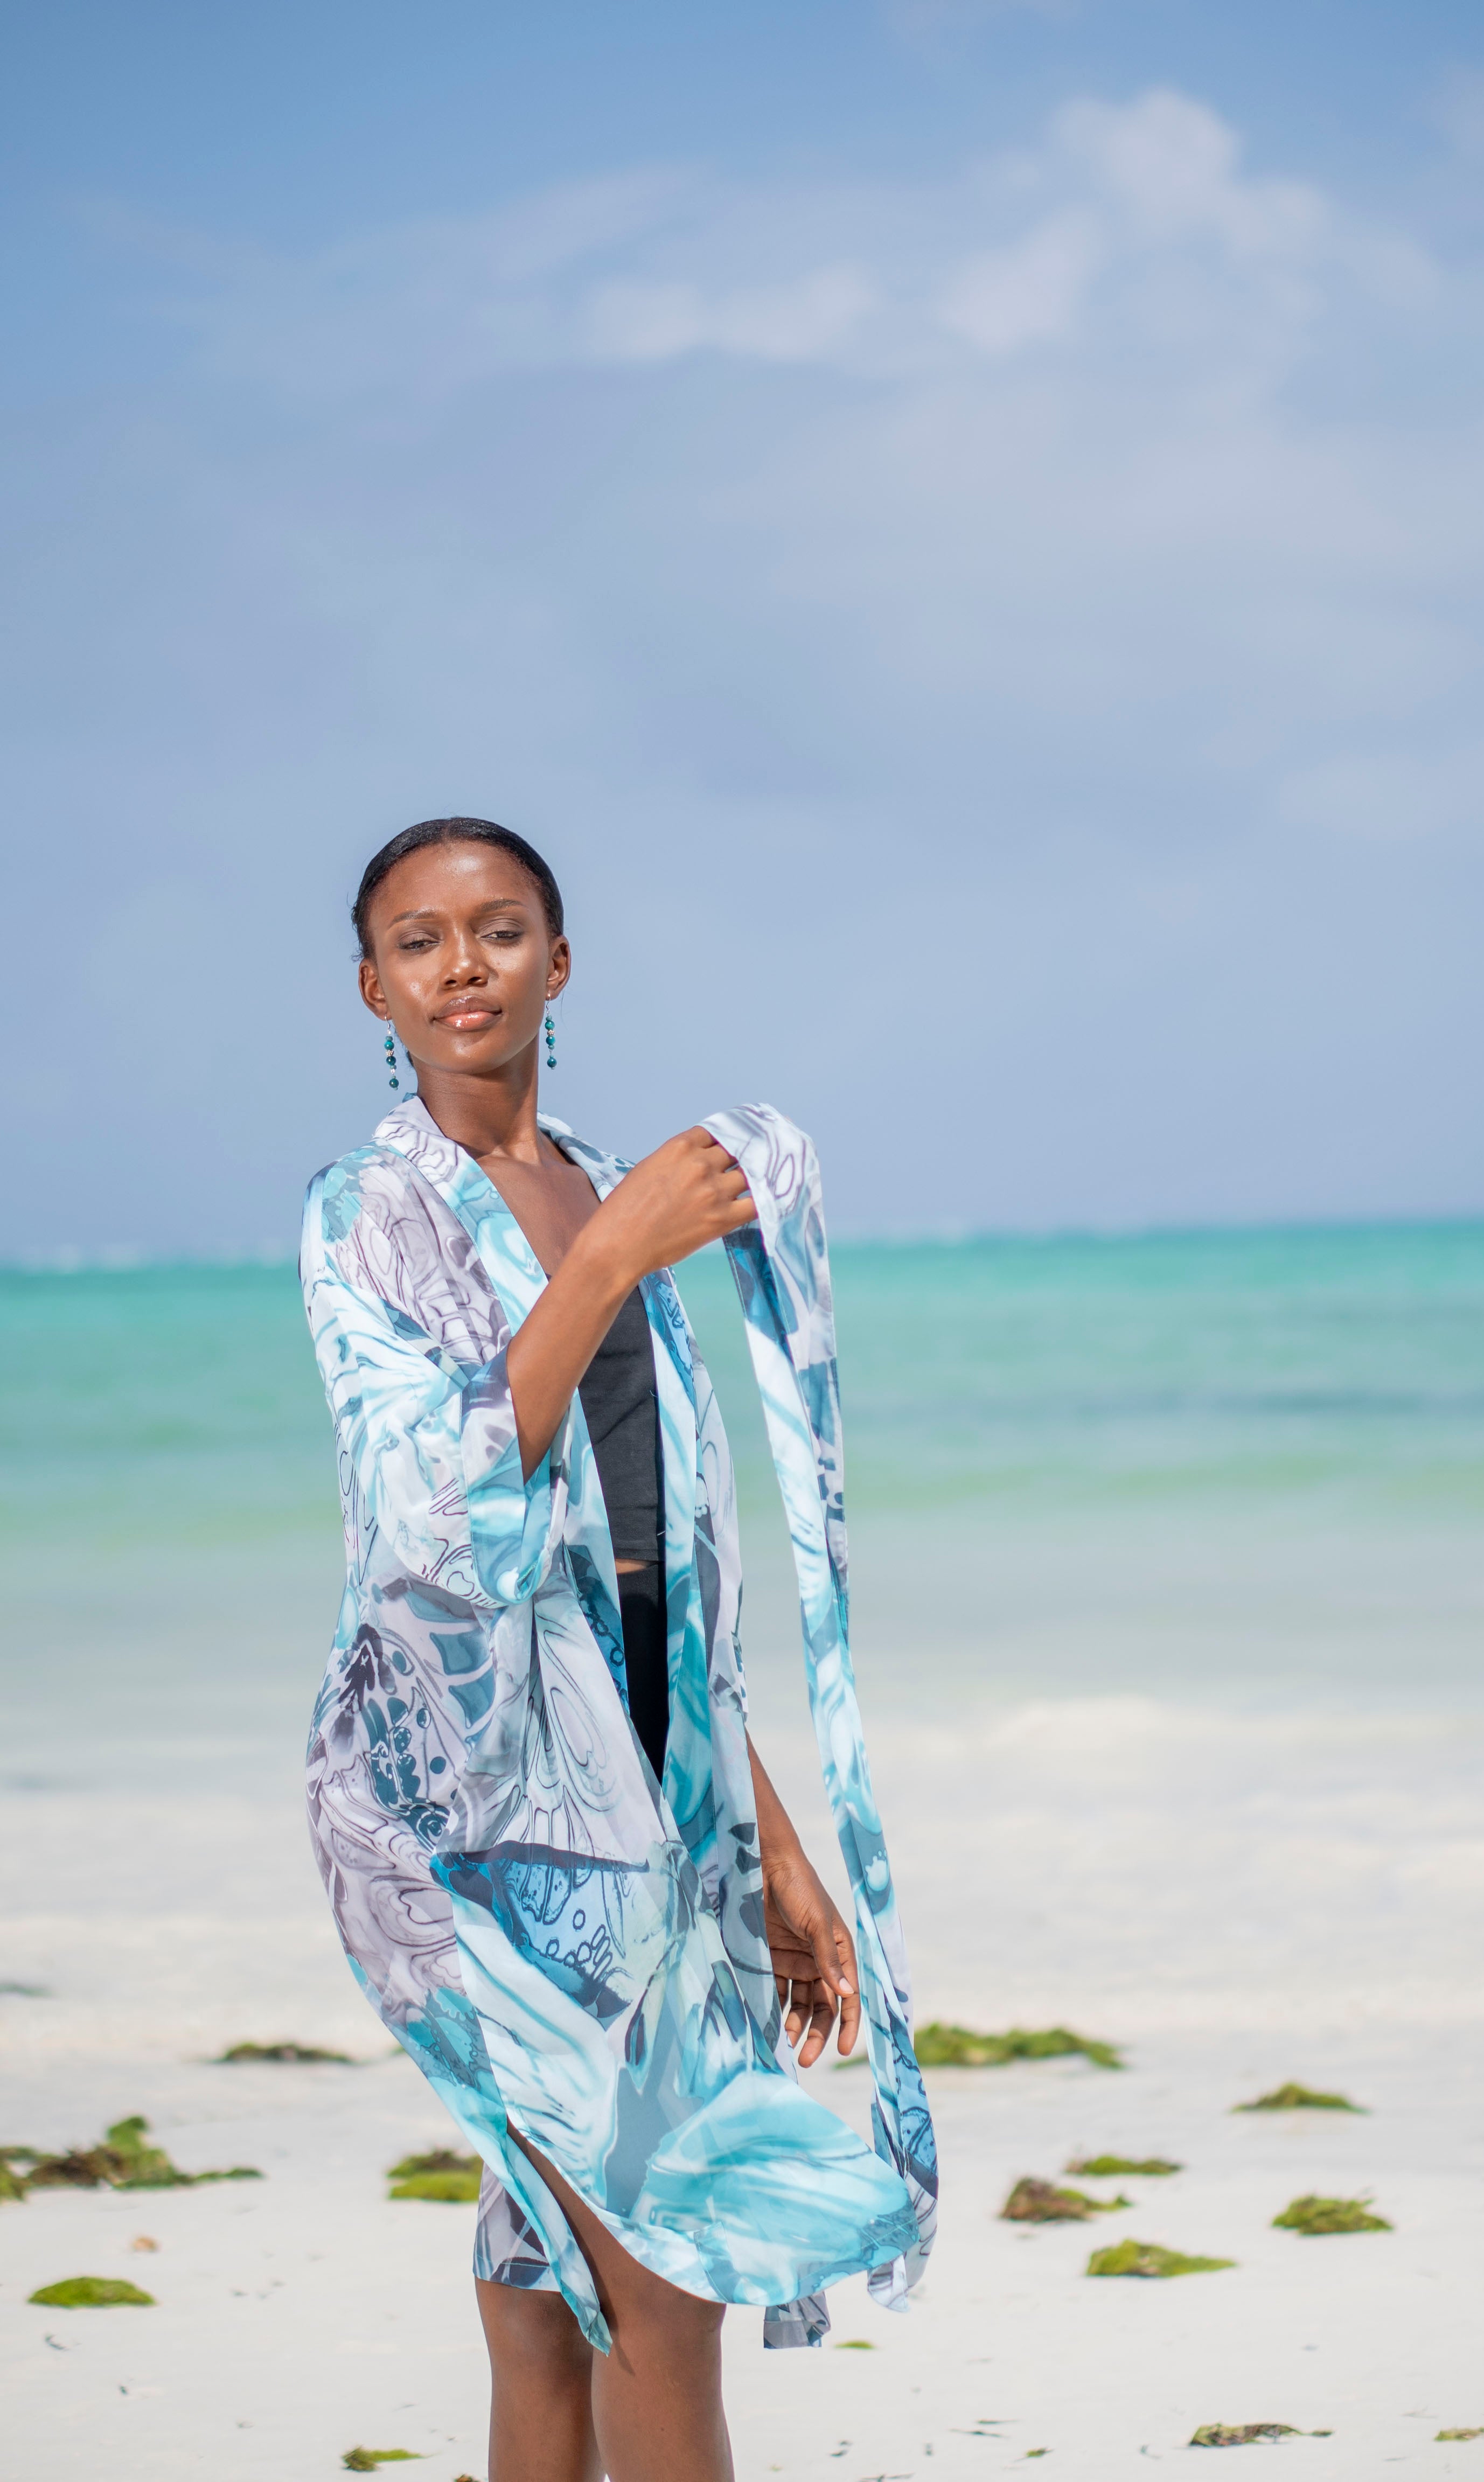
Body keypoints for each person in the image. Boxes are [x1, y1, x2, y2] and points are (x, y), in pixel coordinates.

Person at [300, 818, 933, 2482]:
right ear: (374, 988)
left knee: (547, 2286)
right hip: (482, 1812)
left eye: (499, 930)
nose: (463, 966)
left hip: (650, 1780)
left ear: (559, 962)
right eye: (420, 941)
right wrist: (606, 1255)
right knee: (662, 2270)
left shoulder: (601, 1185)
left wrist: (767, 1839)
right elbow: (431, 1517)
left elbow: (659, 1578)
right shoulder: (369, 1212)